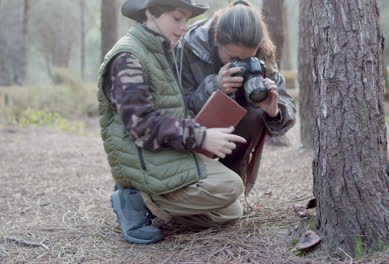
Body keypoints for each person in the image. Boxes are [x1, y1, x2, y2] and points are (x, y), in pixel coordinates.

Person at [97, 0, 248, 244]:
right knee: (230, 187)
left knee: (231, 211)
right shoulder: (128, 57)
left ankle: (156, 206)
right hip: (142, 159)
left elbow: (169, 110)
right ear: (149, 12)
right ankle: (138, 197)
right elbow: (142, 127)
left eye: (187, 20)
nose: (183, 27)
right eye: (177, 18)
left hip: (164, 153)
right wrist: (200, 136)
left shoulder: (161, 50)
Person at [180, 0, 296, 194]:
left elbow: (287, 108)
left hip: (237, 134)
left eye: (245, 58)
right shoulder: (189, 45)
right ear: (217, 40)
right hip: (193, 136)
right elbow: (178, 108)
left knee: (255, 116)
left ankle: (229, 188)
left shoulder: (262, 50)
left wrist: (274, 112)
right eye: (232, 58)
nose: (239, 63)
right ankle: (192, 184)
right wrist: (214, 87)